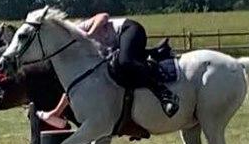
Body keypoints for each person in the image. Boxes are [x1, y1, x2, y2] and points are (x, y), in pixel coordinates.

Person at [38, 13, 179, 129]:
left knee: (125, 62)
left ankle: (164, 93)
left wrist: (90, 34)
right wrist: (57, 111)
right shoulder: (80, 52)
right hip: (120, 46)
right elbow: (73, 88)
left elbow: (103, 16)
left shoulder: (78, 30)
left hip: (128, 29)